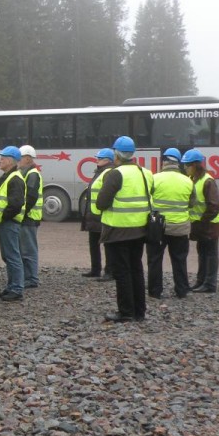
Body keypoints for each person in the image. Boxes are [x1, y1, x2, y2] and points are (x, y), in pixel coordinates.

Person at [95, 136, 153, 323]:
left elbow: (102, 203)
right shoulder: (146, 173)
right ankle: (139, 311)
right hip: (140, 230)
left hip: (118, 231)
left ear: (116, 154)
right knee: (136, 269)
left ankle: (126, 312)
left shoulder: (115, 174)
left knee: (122, 272)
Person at [147, 148, 195, 299]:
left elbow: (148, 199)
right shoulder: (188, 180)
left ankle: (155, 291)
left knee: (154, 259)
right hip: (180, 228)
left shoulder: (155, 178)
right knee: (179, 259)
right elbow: (192, 203)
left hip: (158, 227)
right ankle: (181, 290)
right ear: (178, 163)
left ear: (164, 162)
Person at [183, 148, 219, 293]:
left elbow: (215, 205)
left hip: (210, 224)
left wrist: (202, 221)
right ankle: (201, 281)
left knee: (210, 253)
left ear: (195, 165)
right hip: (202, 224)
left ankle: (210, 284)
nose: (185, 168)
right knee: (203, 252)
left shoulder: (207, 181)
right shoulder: (192, 180)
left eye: (187, 165)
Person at [0, 146, 26, 302]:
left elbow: (16, 204)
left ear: (10, 161)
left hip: (9, 223)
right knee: (8, 256)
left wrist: (4, 216)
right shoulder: (8, 177)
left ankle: (16, 289)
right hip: (5, 222)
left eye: (2, 158)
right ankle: (12, 286)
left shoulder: (15, 179)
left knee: (12, 256)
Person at [80, 149, 115, 279]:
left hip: (103, 215)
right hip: (95, 215)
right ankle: (95, 269)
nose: (97, 160)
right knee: (94, 243)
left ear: (108, 160)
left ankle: (109, 271)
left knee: (107, 244)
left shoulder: (108, 172)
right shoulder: (100, 171)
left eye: (100, 158)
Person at [18, 145, 43, 289]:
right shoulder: (28, 173)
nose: (18, 161)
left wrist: (23, 212)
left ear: (27, 159)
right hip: (29, 217)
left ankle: (31, 278)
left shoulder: (32, 174)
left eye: (20, 158)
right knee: (26, 249)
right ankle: (28, 277)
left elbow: (31, 196)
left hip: (29, 217)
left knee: (29, 250)